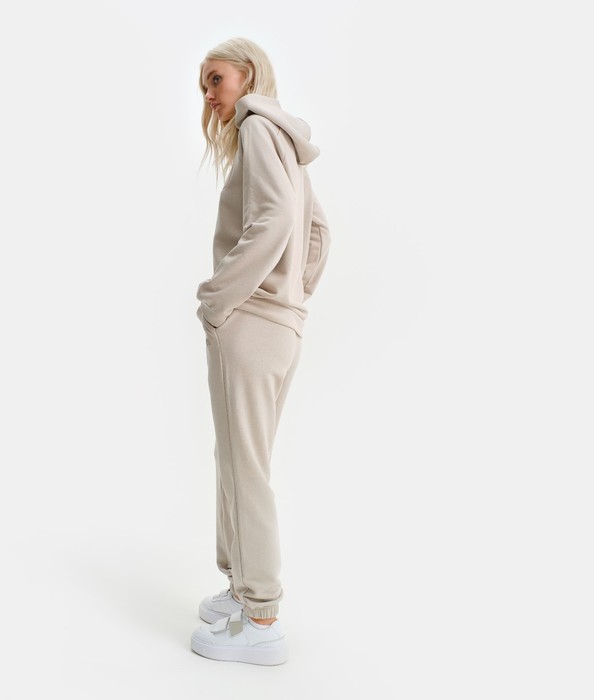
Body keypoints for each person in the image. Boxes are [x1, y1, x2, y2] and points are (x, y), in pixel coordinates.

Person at [190, 37, 331, 666]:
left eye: (215, 78)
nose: (208, 94)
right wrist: (292, 298)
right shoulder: (285, 137)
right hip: (279, 326)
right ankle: (241, 587)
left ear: (247, 76)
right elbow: (319, 232)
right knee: (241, 459)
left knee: (243, 466)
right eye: (203, 84)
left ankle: (261, 615)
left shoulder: (255, 126)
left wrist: (219, 298)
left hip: (251, 324)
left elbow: (273, 222)